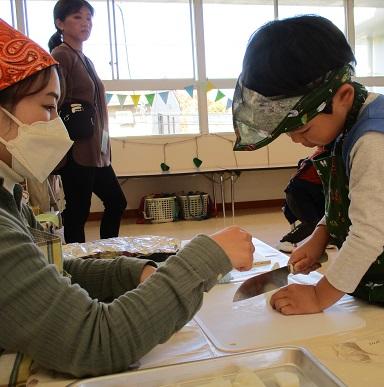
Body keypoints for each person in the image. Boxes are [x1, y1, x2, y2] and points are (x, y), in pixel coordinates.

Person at [0, 20, 254, 384]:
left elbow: (49, 276)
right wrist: (207, 256)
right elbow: (96, 343)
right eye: (48, 107)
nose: (56, 125)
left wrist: (133, 271)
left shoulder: (9, 195)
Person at [232, 15, 384, 334]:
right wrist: (321, 234)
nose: (296, 140)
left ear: (342, 96)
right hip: (374, 272)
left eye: (302, 128)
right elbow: (350, 197)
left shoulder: (375, 141)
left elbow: (368, 233)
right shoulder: (346, 123)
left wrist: (318, 295)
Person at [48, 0, 126, 243]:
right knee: (78, 211)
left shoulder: (84, 58)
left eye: (89, 18)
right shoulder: (61, 54)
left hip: (96, 150)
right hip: (77, 149)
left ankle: (109, 253)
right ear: (60, 23)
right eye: (77, 17)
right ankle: (76, 265)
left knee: (116, 201)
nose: (86, 23)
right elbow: (54, 100)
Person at [277, 146, 326, 253]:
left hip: (314, 191)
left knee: (328, 217)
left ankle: (328, 241)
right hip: (298, 191)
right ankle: (285, 241)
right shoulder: (326, 152)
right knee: (312, 223)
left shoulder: (326, 149)